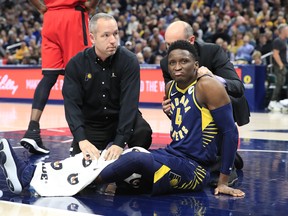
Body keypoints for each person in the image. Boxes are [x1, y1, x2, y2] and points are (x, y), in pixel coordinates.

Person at [0, 40, 245, 197]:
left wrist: (222, 181)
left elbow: (230, 133)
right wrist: (173, 114)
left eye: (184, 61)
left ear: (197, 64)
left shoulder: (208, 85)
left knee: (135, 157)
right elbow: (190, 128)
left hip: (195, 170)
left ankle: (41, 180)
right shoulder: (171, 88)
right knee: (118, 153)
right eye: (172, 62)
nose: (177, 66)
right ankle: (32, 172)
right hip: (173, 154)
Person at [160, 21, 248, 185]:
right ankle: (223, 155)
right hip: (194, 109)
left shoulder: (212, 51)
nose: (172, 51)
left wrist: (213, 78)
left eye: (176, 44)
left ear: (191, 40)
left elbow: (238, 87)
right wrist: (169, 108)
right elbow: (174, 97)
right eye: (168, 46)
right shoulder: (166, 62)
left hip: (224, 106)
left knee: (212, 109)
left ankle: (226, 163)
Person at [62, 13, 152, 161]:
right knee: (80, 163)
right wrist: (81, 139)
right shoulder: (76, 64)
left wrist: (120, 142)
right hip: (93, 123)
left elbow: (129, 105)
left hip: (120, 119)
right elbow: (72, 106)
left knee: (142, 132)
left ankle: (131, 171)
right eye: (106, 35)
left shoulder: (129, 61)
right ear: (92, 38)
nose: (113, 40)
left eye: (115, 34)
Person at [20, 0, 100, 155]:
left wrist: (42, 7)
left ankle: (32, 130)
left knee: (49, 77)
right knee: (79, 76)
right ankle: (79, 139)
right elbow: (90, 4)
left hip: (50, 18)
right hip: (73, 18)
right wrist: (91, 5)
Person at [267, 24, 288, 112]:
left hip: (283, 65)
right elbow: (275, 54)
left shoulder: (283, 41)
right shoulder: (278, 41)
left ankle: (275, 101)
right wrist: (281, 65)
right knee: (279, 83)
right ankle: (272, 102)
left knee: (281, 83)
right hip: (279, 65)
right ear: (282, 31)